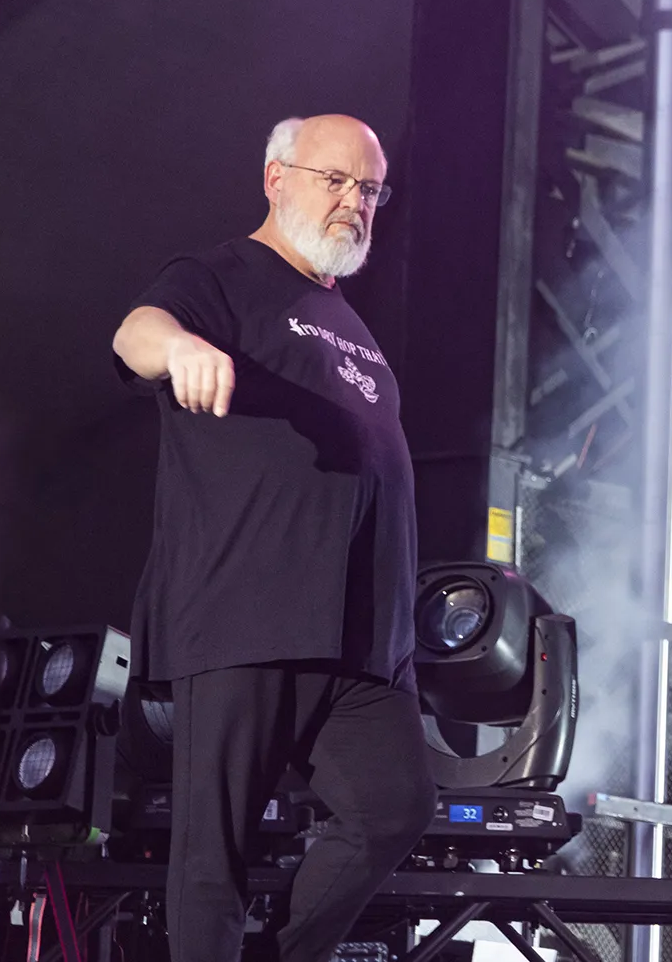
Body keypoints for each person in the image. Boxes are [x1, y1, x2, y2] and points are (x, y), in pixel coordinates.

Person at [112, 114, 437, 962]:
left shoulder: (351, 325)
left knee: (393, 806)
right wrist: (180, 346)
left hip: (362, 641)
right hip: (245, 612)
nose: (353, 203)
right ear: (275, 177)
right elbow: (134, 333)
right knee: (214, 851)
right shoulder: (220, 275)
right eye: (334, 181)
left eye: (369, 189)